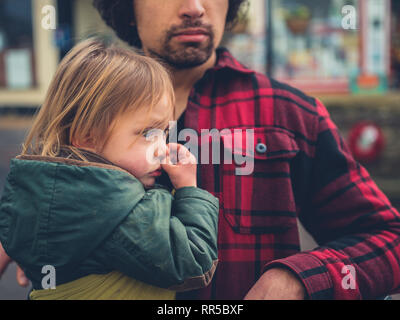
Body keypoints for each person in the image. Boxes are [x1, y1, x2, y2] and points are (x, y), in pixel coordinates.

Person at [2, 0, 400, 300]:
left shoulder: (289, 112)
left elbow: (388, 236)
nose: (194, 8)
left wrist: (301, 277)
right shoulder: (84, 107)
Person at [0, 38, 219, 300]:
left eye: (164, 133)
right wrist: (188, 189)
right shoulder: (117, 209)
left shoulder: (40, 187)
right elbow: (194, 264)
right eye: (148, 133)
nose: (162, 148)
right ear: (88, 136)